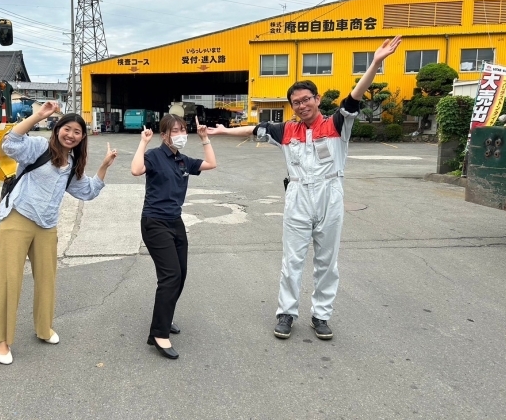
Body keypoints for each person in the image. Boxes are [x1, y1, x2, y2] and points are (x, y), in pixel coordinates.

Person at [207, 36, 402, 341]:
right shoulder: (286, 130)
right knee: (292, 259)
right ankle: (286, 313)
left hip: (329, 194)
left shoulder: (338, 124)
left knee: (327, 261)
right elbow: (256, 129)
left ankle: (321, 315)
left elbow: (355, 96)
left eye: (306, 99)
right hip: (298, 195)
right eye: (296, 102)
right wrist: (223, 131)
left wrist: (376, 62)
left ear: (317, 98)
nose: (301, 105)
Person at [0, 101, 117, 365]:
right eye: (66, 129)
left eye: (77, 132)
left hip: (47, 226)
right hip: (18, 219)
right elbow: (9, 143)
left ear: (82, 138)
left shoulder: (71, 164)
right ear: (57, 129)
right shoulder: (38, 147)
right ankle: (0, 339)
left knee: (47, 280)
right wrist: (38, 116)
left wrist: (104, 166)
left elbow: (88, 191)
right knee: (9, 280)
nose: (71, 135)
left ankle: (43, 328)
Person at [131, 115, 217, 359]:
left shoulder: (182, 160)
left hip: (175, 222)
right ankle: (159, 334)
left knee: (180, 274)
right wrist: (143, 142)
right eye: (174, 130)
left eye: (183, 129)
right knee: (170, 276)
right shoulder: (155, 156)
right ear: (164, 135)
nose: (180, 134)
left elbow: (211, 164)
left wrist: (205, 138)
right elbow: (136, 170)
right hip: (154, 222)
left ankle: (165, 318)